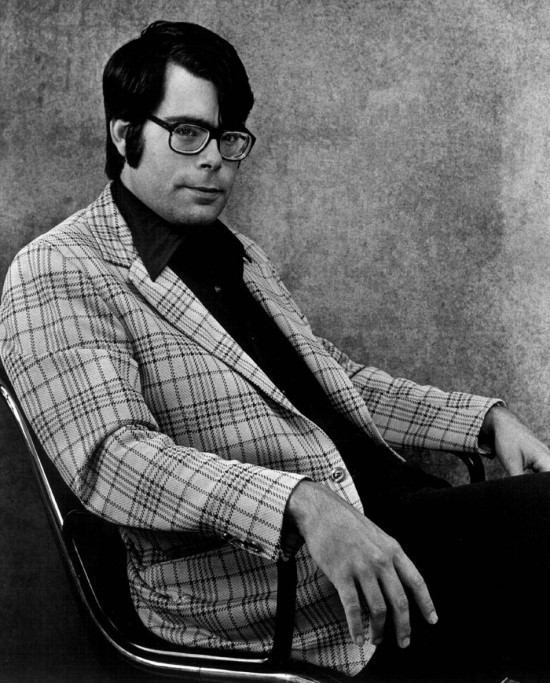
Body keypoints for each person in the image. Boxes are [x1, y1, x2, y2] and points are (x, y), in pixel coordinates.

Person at [1, 20, 549, 682]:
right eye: (188, 132)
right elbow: (113, 458)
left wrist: (484, 420)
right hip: (272, 580)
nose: (214, 159)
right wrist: (299, 502)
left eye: (228, 138)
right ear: (124, 135)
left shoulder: (235, 252)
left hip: (397, 518)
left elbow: (335, 381)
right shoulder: (58, 267)